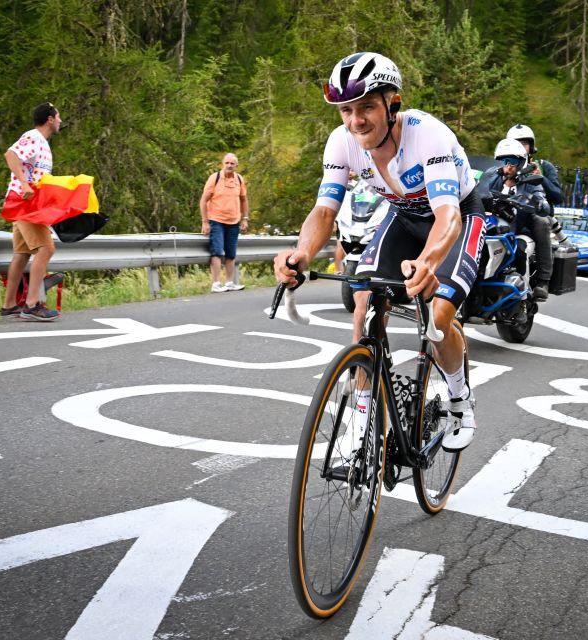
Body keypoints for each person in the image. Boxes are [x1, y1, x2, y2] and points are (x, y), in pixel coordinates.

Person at [273, 52, 483, 451]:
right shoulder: (342, 142)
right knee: (364, 297)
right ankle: (361, 416)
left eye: (367, 106)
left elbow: (448, 216)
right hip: (404, 217)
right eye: (346, 110)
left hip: (456, 218)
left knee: (437, 314)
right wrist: (302, 253)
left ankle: (459, 397)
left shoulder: (427, 134)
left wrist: (427, 264)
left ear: (393, 102)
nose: (356, 120)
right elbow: (324, 209)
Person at [0, 102, 62, 321]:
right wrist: (25, 184)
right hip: (25, 203)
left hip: (26, 203)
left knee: (22, 254)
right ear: (50, 119)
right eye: (59, 116)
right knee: (46, 248)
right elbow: (11, 155)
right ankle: (32, 305)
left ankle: (9, 306)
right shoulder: (34, 137)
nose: (61, 121)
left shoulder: (42, 143)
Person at [481, 138, 553, 300]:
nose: (507, 165)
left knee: (541, 224)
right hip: (492, 229)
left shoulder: (530, 181)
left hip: (518, 231)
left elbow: (541, 197)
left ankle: (540, 283)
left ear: (521, 162)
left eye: (512, 161)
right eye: (503, 161)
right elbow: (478, 191)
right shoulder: (492, 179)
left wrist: (539, 203)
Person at [200, 153, 249, 292]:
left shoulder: (239, 179)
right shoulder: (214, 178)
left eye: (232, 163)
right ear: (223, 164)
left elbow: (244, 200)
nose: (229, 166)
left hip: (234, 221)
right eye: (227, 163)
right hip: (216, 220)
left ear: (236, 166)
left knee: (231, 253)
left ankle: (229, 283)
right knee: (217, 251)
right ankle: (216, 283)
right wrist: (205, 222)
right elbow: (203, 200)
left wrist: (245, 218)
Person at [505, 124, 564, 207]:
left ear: (531, 147)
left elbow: (558, 198)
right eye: (516, 143)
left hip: (536, 213)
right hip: (506, 213)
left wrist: (541, 178)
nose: (520, 147)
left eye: (524, 143)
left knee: (543, 220)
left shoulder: (544, 166)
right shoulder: (503, 167)